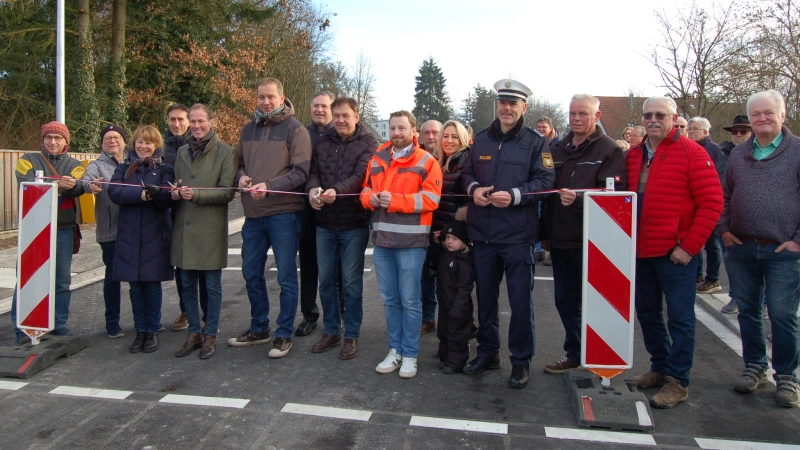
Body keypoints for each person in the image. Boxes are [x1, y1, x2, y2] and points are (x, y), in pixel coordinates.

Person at [626, 96, 722, 408]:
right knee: (648, 313)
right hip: (641, 251)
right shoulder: (633, 156)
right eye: (648, 115)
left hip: (675, 254)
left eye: (660, 115)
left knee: (680, 318)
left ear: (673, 117)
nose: (653, 120)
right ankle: (660, 367)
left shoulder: (692, 153)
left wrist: (689, 246)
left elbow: (712, 204)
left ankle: (678, 381)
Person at [461, 79, 555, 389]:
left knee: (519, 303)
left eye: (513, 103)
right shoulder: (482, 140)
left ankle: (520, 361)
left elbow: (545, 183)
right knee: (485, 299)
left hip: (517, 236)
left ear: (523, 107)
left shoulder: (535, 143)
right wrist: (474, 189)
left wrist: (514, 195)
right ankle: (488, 353)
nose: (506, 108)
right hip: (484, 235)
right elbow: (468, 173)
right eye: (502, 103)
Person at [718, 90, 800, 408]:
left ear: (782, 115)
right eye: (756, 114)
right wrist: (724, 231)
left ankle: (787, 378)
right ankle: (754, 367)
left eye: (768, 113)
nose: (762, 119)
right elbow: (723, 195)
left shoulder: (796, 151)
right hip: (741, 247)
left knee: (781, 315)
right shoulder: (740, 154)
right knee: (749, 312)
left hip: (783, 252)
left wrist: (797, 241)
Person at [540, 94, 627, 374]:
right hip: (561, 239)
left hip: (592, 241)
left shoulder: (609, 150)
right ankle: (575, 351)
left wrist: (579, 200)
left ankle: (598, 357)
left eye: (583, 114)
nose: (576, 119)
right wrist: (545, 234)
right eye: (573, 113)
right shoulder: (559, 148)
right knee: (565, 300)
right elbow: (546, 192)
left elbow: (613, 195)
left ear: (597, 116)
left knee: (596, 303)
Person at [230, 77, 311, 359]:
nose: (266, 102)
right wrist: (241, 178)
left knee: (287, 277)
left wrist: (270, 186)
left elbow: (301, 173)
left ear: (281, 97)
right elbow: (238, 163)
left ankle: (284, 333)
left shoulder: (295, 129)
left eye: (271, 97)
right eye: (261, 97)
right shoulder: (247, 129)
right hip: (252, 216)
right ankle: (259, 327)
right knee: (251, 274)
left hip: (283, 215)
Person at [360, 110, 443, 379]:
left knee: (410, 300)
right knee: (390, 301)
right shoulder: (378, 157)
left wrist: (394, 201)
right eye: (392, 128)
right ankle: (394, 350)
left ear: (413, 131)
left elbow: (431, 200)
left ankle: (410, 354)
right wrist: (369, 199)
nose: (396, 133)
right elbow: (364, 190)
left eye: (401, 128)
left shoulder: (427, 161)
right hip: (382, 242)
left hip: (411, 242)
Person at [306, 97, 377, 360]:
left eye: (345, 115)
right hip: (324, 222)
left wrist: (338, 190)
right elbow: (313, 172)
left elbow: (361, 176)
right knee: (326, 281)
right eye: (336, 115)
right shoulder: (323, 141)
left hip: (353, 223)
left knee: (351, 282)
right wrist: (313, 189)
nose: (340, 120)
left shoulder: (369, 142)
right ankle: (332, 330)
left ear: (357, 116)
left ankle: (352, 335)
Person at [171, 104, 238, 360]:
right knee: (186, 284)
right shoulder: (181, 152)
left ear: (211, 122)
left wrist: (195, 194)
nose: (197, 126)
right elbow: (177, 182)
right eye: (193, 121)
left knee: (212, 286)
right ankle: (194, 333)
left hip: (210, 227)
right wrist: (175, 193)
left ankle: (211, 334)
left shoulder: (226, 153)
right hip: (184, 226)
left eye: (201, 121)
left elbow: (228, 192)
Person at [11, 121, 86, 344]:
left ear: (66, 141)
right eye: (48, 138)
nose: (53, 142)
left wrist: (71, 186)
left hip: (62, 228)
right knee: (26, 280)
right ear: (42, 140)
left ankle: (58, 324)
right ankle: (21, 327)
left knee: (61, 280)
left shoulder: (75, 164)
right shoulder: (26, 161)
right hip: (32, 229)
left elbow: (80, 186)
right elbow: (26, 184)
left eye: (58, 138)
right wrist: (61, 185)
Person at [108, 125, 175, 353]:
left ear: (156, 146)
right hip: (128, 234)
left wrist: (156, 194)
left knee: (152, 284)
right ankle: (140, 332)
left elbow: (167, 197)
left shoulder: (165, 168)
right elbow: (114, 192)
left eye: (149, 143)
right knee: (134, 286)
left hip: (154, 234)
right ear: (133, 144)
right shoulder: (125, 168)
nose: (144, 146)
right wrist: (141, 194)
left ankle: (153, 330)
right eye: (140, 142)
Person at [163, 104, 207, 332]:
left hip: (198, 210)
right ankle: (185, 311)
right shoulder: (162, 148)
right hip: (171, 212)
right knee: (181, 267)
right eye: (172, 120)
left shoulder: (197, 144)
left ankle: (206, 312)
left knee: (201, 266)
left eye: (181, 119)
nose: (177, 124)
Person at [84, 124, 127, 339]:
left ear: (124, 141)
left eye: (116, 137)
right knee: (112, 278)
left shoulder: (133, 162)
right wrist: (91, 185)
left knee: (140, 277)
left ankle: (146, 320)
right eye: (108, 138)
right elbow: (87, 179)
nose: (112, 141)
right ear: (102, 143)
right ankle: (112, 321)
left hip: (134, 230)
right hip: (110, 231)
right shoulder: (96, 166)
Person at [297, 91, 335, 337]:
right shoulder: (302, 135)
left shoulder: (340, 133)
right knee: (309, 268)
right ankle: (309, 314)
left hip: (335, 213)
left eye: (324, 106)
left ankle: (337, 315)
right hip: (307, 213)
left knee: (336, 270)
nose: (319, 110)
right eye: (315, 106)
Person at [717, 114, 751, 314]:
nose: (738, 135)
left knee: (756, 265)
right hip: (725, 218)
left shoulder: (757, 153)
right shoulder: (722, 154)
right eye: (735, 132)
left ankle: (762, 302)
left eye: (743, 131)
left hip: (751, 220)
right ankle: (736, 297)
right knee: (731, 261)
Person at [687, 117, 724, 294]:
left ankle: (713, 278)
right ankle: (698, 275)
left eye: (695, 129)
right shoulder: (688, 148)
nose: (691, 131)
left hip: (707, 204)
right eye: (689, 128)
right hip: (692, 205)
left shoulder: (715, 151)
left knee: (711, 244)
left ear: (705, 132)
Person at [436, 218, 474, 374]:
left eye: (455, 239)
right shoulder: (445, 255)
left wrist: (459, 307)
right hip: (445, 303)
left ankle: (456, 361)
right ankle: (445, 357)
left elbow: (465, 288)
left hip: (458, 306)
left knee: (457, 334)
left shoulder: (463, 262)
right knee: (443, 331)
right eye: (448, 238)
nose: (450, 241)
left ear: (464, 243)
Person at [419, 119, 443, 334]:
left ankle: (450, 321)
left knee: (446, 277)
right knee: (425, 274)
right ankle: (427, 317)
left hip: (445, 226)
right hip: (422, 225)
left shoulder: (451, 159)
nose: (430, 137)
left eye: (435, 132)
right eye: (426, 132)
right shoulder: (417, 159)